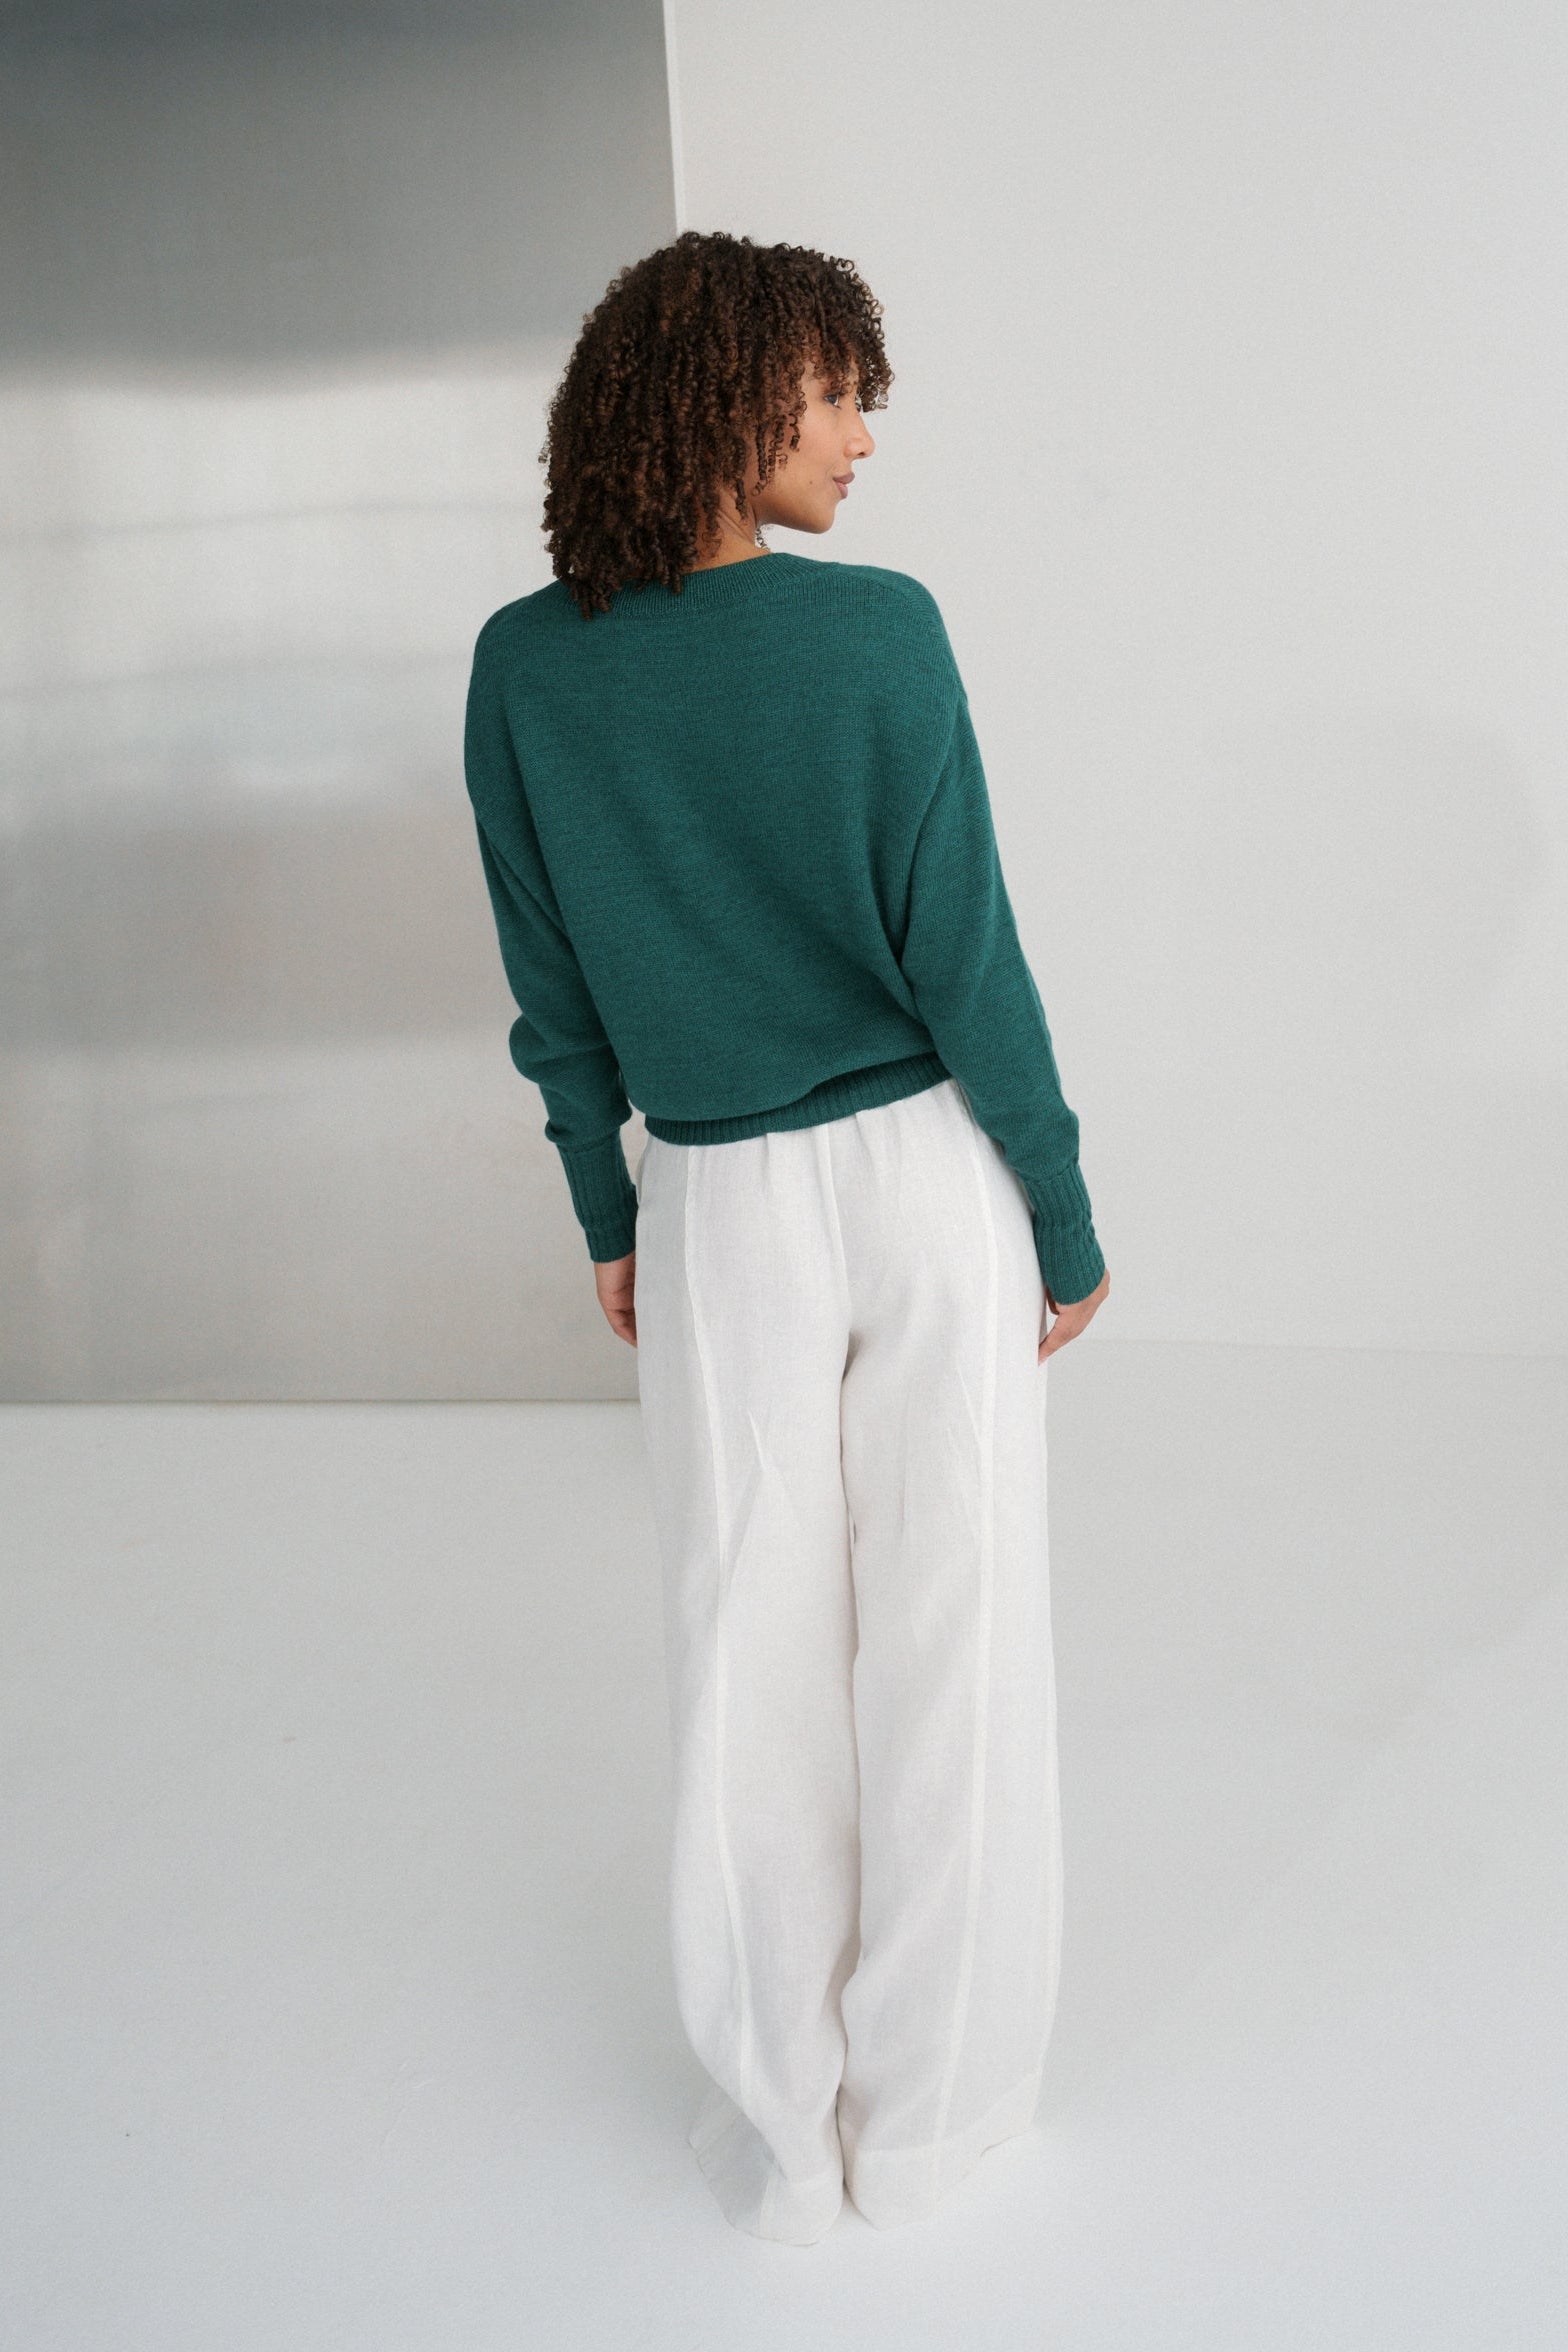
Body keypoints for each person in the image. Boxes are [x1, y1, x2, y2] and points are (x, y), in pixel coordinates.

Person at [462, 228, 1110, 2242]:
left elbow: (550, 987)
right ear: (733, 393)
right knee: (957, 1631)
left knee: (742, 1643)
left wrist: (606, 1208)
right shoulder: (879, 634)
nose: (861, 433)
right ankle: (932, 2129)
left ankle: (785, 2135)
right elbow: (964, 959)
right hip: (929, 1182)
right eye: (836, 390)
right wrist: (1062, 1212)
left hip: (719, 1197)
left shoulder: (525, 664)